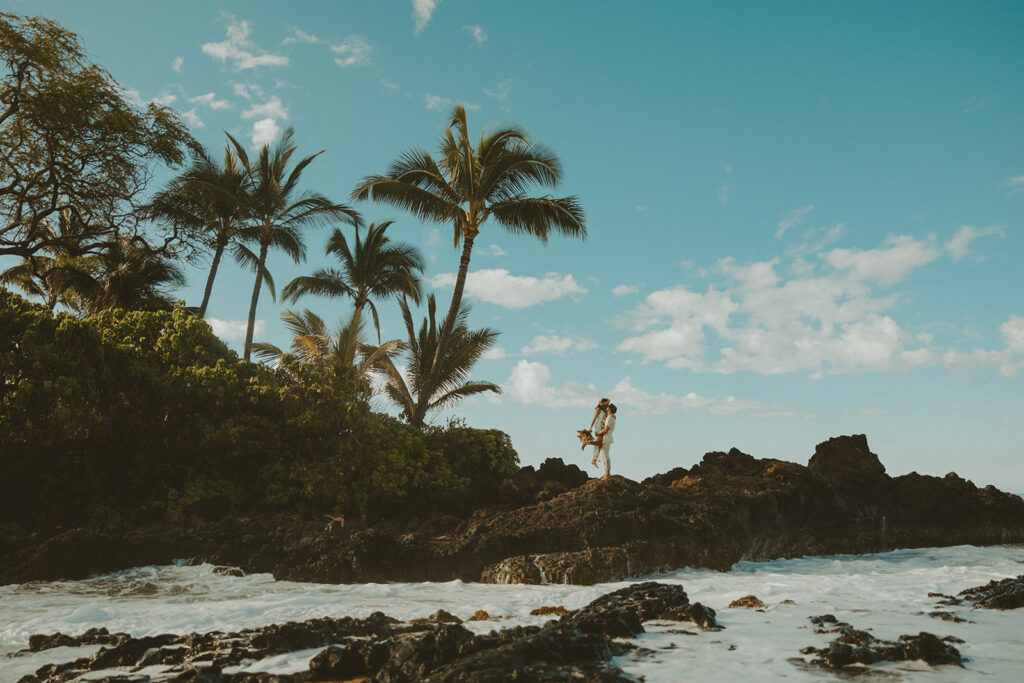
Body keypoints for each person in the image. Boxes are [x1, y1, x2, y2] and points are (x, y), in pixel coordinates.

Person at [594, 403, 617, 479]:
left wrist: (598, 433)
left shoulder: (610, 417)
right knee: (604, 455)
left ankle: (607, 473)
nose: (606, 408)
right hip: (607, 437)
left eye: (608, 407)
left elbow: (606, 429)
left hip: (606, 437)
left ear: (609, 409)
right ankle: (606, 472)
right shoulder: (611, 417)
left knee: (605, 455)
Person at [588, 398, 610, 467]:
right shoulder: (598, 409)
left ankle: (594, 459)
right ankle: (587, 443)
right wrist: (590, 428)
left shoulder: (605, 410)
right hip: (598, 426)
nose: (607, 405)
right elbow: (594, 418)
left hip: (603, 426)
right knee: (599, 442)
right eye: (606, 404)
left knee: (600, 443)